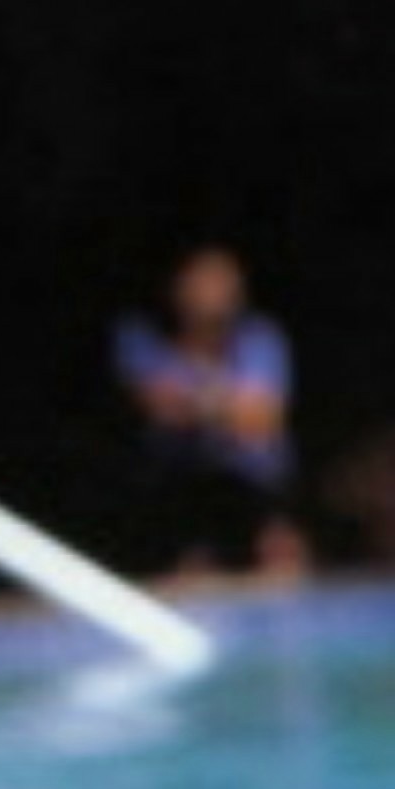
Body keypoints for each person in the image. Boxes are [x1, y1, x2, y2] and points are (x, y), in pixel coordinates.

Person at [112, 247, 305, 578]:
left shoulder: (260, 337)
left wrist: (195, 401)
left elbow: (262, 420)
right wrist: (229, 404)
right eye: (204, 281)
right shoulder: (140, 335)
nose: (216, 292)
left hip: (253, 491)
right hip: (177, 490)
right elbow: (159, 409)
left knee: (285, 564)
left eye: (225, 281)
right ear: (178, 287)